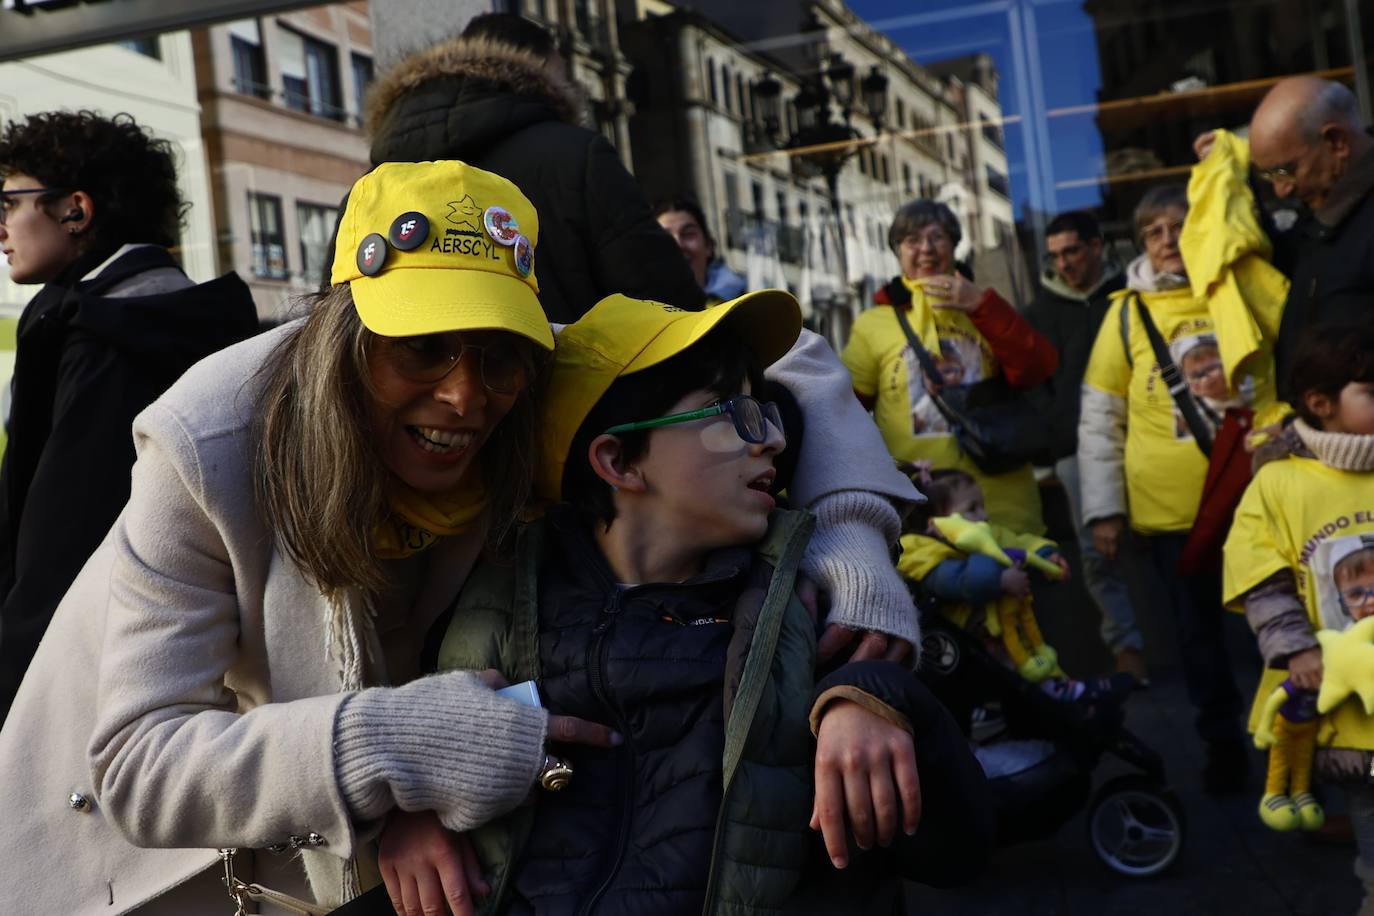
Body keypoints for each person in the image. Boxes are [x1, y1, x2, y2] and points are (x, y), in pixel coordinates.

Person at [0, 160, 632, 914]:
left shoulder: (533, 385)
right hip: (138, 875)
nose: (465, 396)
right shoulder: (207, 440)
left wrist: (821, 580)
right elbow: (142, 769)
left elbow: (780, 372)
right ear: (343, 335)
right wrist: (403, 753)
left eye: (499, 355)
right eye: (421, 346)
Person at [380, 291, 993, 916]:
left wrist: (880, 697)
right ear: (618, 461)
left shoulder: (802, 613)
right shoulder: (498, 611)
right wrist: (413, 809)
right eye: (734, 416)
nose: (774, 442)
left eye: (767, 412)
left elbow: (960, 853)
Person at [366, 15, 926, 664]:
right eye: (430, 350)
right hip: (597, 523)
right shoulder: (573, 154)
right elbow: (701, 352)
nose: (462, 389)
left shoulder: (375, 187)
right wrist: (851, 545)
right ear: (547, 69)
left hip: (478, 533)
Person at [0, 110, 258, 719]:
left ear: (75, 210)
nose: (1, 229)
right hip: (193, 656)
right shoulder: (171, 314)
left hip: (86, 679)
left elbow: (61, 543)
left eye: (8, 205)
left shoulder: (101, 337)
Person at [1078, 184, 1275, 794]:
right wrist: (1104, 509)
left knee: (1278, 631)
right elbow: (1100, 416)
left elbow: (1271, 386)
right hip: (1171, 518)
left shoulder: (1238, 293)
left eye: (1177, 227)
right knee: (1198, 643)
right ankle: (1224, 746)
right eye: (1152, 232)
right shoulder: (1125, 312)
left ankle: (1296, 743)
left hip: (1258, 506)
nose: (1166, 241)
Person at [365, 13, 703, 324]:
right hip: (575, 385)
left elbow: (341, 323)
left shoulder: (373, 185)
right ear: (540, 68)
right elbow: (669, 301)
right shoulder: (579, 156)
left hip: (435, 388)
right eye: (562, 71)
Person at [1224, 323, 1374, 911]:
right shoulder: (1278, 483)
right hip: (1347, 700)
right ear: (1322, 403)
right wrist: (1297, 649)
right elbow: (1260, 579)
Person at [842, 198, 1058, 536]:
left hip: (1001, 506)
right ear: (898, 252)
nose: (926, 248)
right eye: (913, 241)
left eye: (937, 237)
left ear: (954, 245)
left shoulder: (986, 308)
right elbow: (843, 411)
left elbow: (1036, 368)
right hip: (922, 509)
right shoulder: (874, 324)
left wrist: (981, 306)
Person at [1024, 210, 1145, 683]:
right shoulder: (1040, 311)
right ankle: (1127, 648)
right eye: (1055, 255)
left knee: (1159, 547)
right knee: (1098, 557)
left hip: (1143, 440)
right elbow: (1036, 386)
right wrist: (1056, 442)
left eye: (1072, 250)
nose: (1064, 263)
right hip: (1077, 449)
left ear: (1096, 246)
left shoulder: (1128, 297)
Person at [897, 468, 1132, 710]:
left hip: (1007, 631)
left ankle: (1060, 690)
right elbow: (968, 583)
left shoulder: (988, 532)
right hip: (969, 646)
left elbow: (1020, 542)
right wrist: (1001, 579)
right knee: (1014, 673)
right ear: (935, 523)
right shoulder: (916, 549)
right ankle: (1061, 695)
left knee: (1030, 659)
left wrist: (1045, 554)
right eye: (972, 509)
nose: (985, 516)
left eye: (983, 506)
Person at [1210, 76, 1374, 398]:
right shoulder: (1320, 213)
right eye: (1270, 176)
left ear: (1337, 142)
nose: (1281, 189)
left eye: (1286, 170)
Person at [652, 195, 746, 303]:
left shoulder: (744, 306)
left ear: (708, 246)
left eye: (688, 234)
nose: (678, 244)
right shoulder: (640, 309)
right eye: (665, 237)